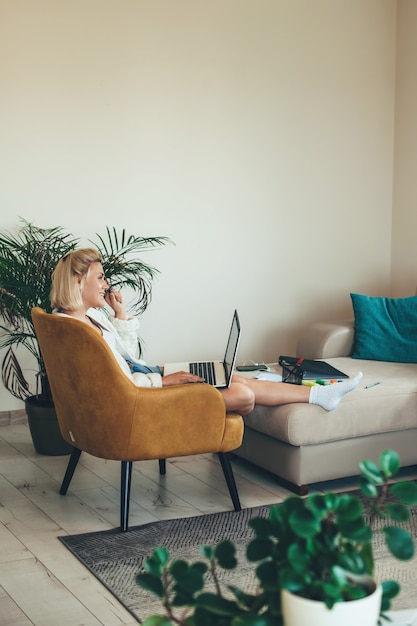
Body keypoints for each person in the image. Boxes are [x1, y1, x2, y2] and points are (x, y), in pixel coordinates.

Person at [50, 248, 362, 416]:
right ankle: (319, 394)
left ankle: (320, 394)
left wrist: (120, 315)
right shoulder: (80, 333)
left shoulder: (88, 318)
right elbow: (116, 384)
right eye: (101, 278)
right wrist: (164, 381)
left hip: (145, 377)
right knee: (241, 394)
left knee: (230, 377)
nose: (106, 285)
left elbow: (128, 359)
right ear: (79, 281)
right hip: (141, 395)